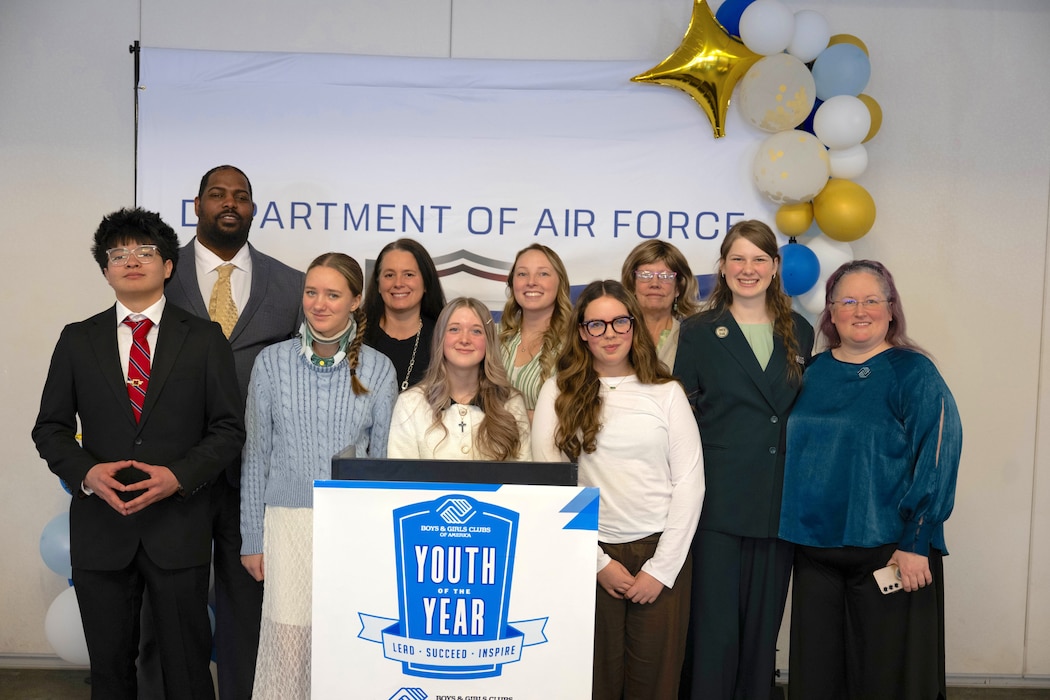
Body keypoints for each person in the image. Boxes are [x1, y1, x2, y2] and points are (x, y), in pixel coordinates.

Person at [32, 208, 245, 699]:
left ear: (168, 265)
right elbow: (51, 428)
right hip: (101, 531)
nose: (132, 261)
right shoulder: (77, 339)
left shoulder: (204, 338)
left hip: (178, 525)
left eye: (145, 251)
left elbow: (228, 428)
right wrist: (87, 473)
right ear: (105, 269)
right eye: (118, 253)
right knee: (109, 671)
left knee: (187, 670)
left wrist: (179, 476)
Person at [778, 260, 962, 700]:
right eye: (848, 301)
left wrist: (917, 540)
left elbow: (938, 456)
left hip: (890, 551)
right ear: (832, 311)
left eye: (872, 300)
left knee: (885, 681)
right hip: (814, 553)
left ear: (891, 308)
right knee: (817, 680)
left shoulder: (913, 372)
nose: (860, 310)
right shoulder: (812, 372)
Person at [165, 164, 305, 700]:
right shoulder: (162, 274)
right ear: (196, 204)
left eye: (241, 196)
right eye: (217, 194)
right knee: (173, 614)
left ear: (253, 209)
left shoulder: (291, 285)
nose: (230, 203)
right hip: (176, 475)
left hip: (256, 479)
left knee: (248, 614)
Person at [532, 280, 704, 700]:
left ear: (634, 326)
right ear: (581, 333)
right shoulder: (558, 392)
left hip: (659, 555)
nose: (609, 333)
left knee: (655, 685)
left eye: (619, 322)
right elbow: (550, 484)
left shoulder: (667, 394)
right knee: (592, 685)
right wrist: (596, 562)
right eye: (596, 325)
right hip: (587, 554)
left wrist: (660, 570)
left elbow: (690, 485)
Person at [240, 252, 397, 700]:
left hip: (351, 529)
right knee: (289, 650)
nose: (319, 303)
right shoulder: (271, 363)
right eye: (312, 292)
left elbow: (383, 463)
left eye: (332, 294)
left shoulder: (378, 368)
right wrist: (252, 538)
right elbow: (257, 455)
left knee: (345, 646)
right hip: (286, 525)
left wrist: (378, 538)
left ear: (355, 301)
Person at [675, 220, 813, 699]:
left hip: (778, 502)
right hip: (718, 502)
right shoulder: (696, 332)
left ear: (775, 268)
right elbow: (682, 419)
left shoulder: (800, 329)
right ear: (722, 267)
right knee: (713, 632)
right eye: (738, 259)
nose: (748, 269)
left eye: (759, 259)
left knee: (762, 634)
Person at [388, 297, 531, 461]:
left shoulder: (511, 403)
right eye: (454, 329)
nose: (464, 339)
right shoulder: (410, 404)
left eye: (476, 331)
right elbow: (403, 482)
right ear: (440, 339)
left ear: (489, 341)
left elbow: (523, 482)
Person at [498, 244, 572, 420]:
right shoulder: (493, 335)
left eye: (543, 273)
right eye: (522, 274)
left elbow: (576, 414)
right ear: (512, 283)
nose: (531, 282)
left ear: (559, 282)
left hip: (548, 446)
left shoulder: (575, 343)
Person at [363, 238, 446, 392]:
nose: (398, 283)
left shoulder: (444, 339)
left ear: (426, 283)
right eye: (389, 275)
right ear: (378, 284)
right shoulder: (356, 336)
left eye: (408, 274)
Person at [621, 240, 701, 373]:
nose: (655, 283)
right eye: (645, 275)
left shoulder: (694, 338)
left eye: (665, 276)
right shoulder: (616, 334)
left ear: (678, 288)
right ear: (632, 284)